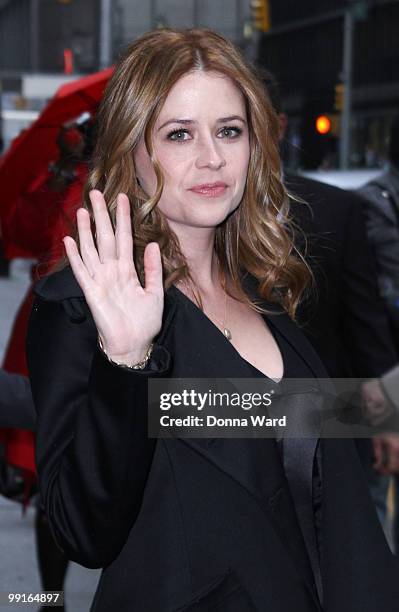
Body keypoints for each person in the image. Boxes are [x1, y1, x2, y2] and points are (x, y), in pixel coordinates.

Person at [27, 29, 399, 612]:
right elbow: (82, 529)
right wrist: (126, 362)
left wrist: (385, 412)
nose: (213, 158)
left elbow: (293, 435)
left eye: (230, 130)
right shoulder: (81, 304)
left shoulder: (266, 287)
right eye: (179, 134)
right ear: (131, 150)